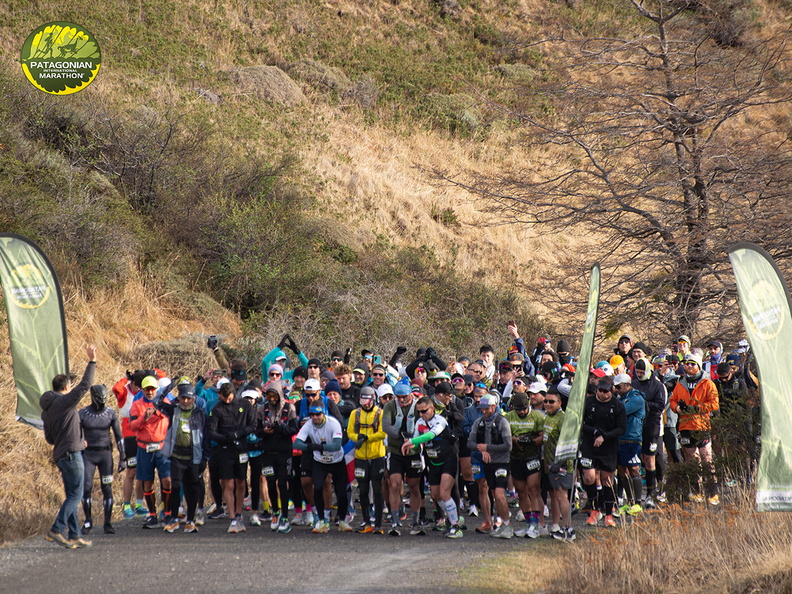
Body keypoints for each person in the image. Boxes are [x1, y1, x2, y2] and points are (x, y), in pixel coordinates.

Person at [41, 344, 97, 549]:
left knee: (71, 494)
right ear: (65, 388)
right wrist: (92, 361)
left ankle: (74, 535)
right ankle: (56, 529)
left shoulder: (46, 410)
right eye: (70, 387)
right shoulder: (64, 402)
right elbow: (85, 386)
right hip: (72, 455)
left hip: (61, 455)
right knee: (76, 495)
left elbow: (50, 438)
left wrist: (76, 439)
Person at [401, 396, 463, 539]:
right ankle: (453, 517)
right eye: (419, 412)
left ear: (432, 409)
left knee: (445, 493)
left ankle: (455, 526)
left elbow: (430, 435)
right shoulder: (419, 422)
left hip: (448, 460)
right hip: (433, 462)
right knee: (435, 495)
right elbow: (417, 441)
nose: (421, 414)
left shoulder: (440, 421)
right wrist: (410, 445)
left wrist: (412, 441)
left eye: (424, 411)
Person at [206, 382, 257, 533]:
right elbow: (211, 432)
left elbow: (253, 425)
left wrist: (239, 434)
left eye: (229, 398)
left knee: (241, 482)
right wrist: (224, 438)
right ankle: (232, 517)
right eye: (224, 398)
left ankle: (239, 513)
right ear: (220, 395)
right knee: (228, 484)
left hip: (241, 448)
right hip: (225, 449)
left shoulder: (245, 405)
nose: (227, 400)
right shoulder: (217, 409)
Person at [670, 352, 720, 505]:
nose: (689, 366)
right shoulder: (681, 383)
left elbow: (714, 404)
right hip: (685, 426)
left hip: (702, 425)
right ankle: (696, 491)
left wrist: (697, 408)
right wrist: (677, 408)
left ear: (698, 365)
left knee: (706, 459)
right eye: (687, 364)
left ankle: (713, 492)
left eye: (692, 364)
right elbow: (673, 400)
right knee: (692, 461)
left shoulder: (708, 383)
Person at [293, 404, 352, 533]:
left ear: (323, 414)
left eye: (318, 415)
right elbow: (296, 443)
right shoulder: (309, 424)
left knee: (341, 492)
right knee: (318, 488)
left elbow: (337, 445)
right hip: (320, 461)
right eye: (312, 415)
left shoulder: (333, 423)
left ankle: (342, 520)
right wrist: (310, 447)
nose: (315, 418)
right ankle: (321, 520)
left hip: (336, 460)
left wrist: (319, 447)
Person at [160, 382, 208, 533]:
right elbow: (157, 402)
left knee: (192, 488)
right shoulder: (173, 410)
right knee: (175, 487)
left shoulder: (200, 413)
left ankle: (190, 520)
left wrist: (205, 458)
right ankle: (174, 518)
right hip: (176, 456)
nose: (185, 401)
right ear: (178, 399)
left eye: (188, 398)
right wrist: (169, 387)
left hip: (194, 457)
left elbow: (206, 436)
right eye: (182, 398)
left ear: (193, 399)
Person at [580, 378, 627, 528]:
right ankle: (594, 510)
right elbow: (579, 422)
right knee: (589, 477)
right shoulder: (588, 402)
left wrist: (604, 436)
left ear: (611, 391)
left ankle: (608, 514)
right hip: (589, 444)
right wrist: (594, 432)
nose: (602, 394)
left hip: (608, 447)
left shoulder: (618, 405)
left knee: (607, 480)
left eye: (605, 391)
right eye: (600, 391)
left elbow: (622, 428)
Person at [79, 384, 124, 535]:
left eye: (104, 399)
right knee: (86, 487)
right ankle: (88, 520)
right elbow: (76, 435)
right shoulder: (82, 414)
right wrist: (80, 445)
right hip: (89, 455)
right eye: (100, 399)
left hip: (105, 455)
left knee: (107, 488)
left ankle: (107, 522)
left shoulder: (111, 413)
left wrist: (123, 457)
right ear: (93, 398)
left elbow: (119, 437)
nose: (102, 402)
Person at [129, 375, 173, 529]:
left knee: (167, 480)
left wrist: (156, 412)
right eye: (147, 389)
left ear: (156, 389)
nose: (149, 392)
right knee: (147, 482)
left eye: (152, 389)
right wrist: (144, 418)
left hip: (162, 447)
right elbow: (132, 426)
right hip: (144, 448)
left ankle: (167, 513)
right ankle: (152, 515)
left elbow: (170, 417)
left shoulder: (164, 402)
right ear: (142, 390)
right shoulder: (136, 405)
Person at [467, 393, 514, 538]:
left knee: (499, 494)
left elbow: (508, 446)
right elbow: (470, 443)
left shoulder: (502, 422)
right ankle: (494, 522)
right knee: (493, 493)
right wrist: (481, 449)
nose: (483, 411)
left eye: (486, 408)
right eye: (481, 408)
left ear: (494, 406)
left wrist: (487, 448)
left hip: (502, 462)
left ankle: (507, 525)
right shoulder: (478, 422)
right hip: (487, 463)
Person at [382, 382, 423, 536]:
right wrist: (400, 438)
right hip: (395, 451)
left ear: (410, 395)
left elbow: (423, 424)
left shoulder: (417, 406)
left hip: (414, 451)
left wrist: (413, 441)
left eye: (404, 397)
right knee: (394, 484)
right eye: (398, 397)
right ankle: (395, 521)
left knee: (414, 486)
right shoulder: (390, 406)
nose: (401, 399)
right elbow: (386, 426)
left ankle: (415, 521)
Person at [257, 382, 298, 533]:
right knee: (270, 482)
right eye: (269, 396)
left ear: (280, 394)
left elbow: (294, 429)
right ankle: (275, 512)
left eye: (274, 395)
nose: (272, 399)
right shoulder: (262, 409)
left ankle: (285, 516)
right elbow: (256, 430)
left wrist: (281, 429)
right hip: (268, 453)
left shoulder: (289, 408)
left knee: (282, 482)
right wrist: (264, 431)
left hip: (284, 452)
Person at [347, 387, 387, 534]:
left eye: (367, 400)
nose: (365, 404)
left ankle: (378, 524)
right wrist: (358, 438)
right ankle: (366, 522)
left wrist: (367, 438)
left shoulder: (380, 413)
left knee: (377, 490)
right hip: (361, 457)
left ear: (373, 400)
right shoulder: (355, 413)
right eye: (362, 400)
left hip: (377, 456)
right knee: (362, 490)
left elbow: (383, 433)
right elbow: (350, 432)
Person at [504, 393, 545, 538]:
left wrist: (532, 441)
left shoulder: (537, 417)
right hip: (515, 458)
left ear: (528, 405)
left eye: (524, 409)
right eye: (518, 410)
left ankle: (536, 524)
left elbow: (543, 436)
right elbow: (504, 436)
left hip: (532, 456)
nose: (521, 412)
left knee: (534, 489)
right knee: (521, 492)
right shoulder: (508, 417)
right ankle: (528, 523)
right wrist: (515, 440)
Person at [632, 357, 666, 508]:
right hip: (637, 425)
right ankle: (638, 493)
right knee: (638, 459)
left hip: (652, 425)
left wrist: (643, 404)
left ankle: (651, 493)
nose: (639, 375)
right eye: (637, 372)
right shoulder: (634, 384)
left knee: (650, 459)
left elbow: (660, 405)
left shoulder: (658, 386)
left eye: (641, 372)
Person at [543, 390, 575, 541]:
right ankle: (562, 527)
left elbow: (569, 443)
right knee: (557, 495)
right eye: (546, 401)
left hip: (562, 465)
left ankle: (568, 529)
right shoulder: (548, 417)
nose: (548, 404)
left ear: (560, 403)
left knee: (562, 496)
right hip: (550, 464)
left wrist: (559, 463)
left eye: (551, 402)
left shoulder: (563, 418)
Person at [613, 373, 645, 516]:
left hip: (633, 438)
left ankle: (638, 503)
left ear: (627, 384)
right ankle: (630, 501)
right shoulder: (621, 397)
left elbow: (621, 411)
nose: (616, 389)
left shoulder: (636, 399)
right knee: (621, 470)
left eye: (619, 387)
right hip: (621, 438)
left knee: (634, 469)